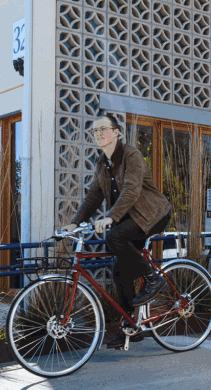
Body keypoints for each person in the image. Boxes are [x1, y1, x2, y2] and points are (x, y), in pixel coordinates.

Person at [66, 113, 172, 348]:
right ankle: (131, 328)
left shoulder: (131, 155)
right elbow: (94, 196)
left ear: (116, 132)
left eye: (103, 129)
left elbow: (131, 190)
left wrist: (111, 217)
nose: (98, 134)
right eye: (95, 131)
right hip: (131, 219)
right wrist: (74, 223)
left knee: (114, 236)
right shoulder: (101, 163)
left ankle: (153, 279)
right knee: (120, 272)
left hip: (153, 213)